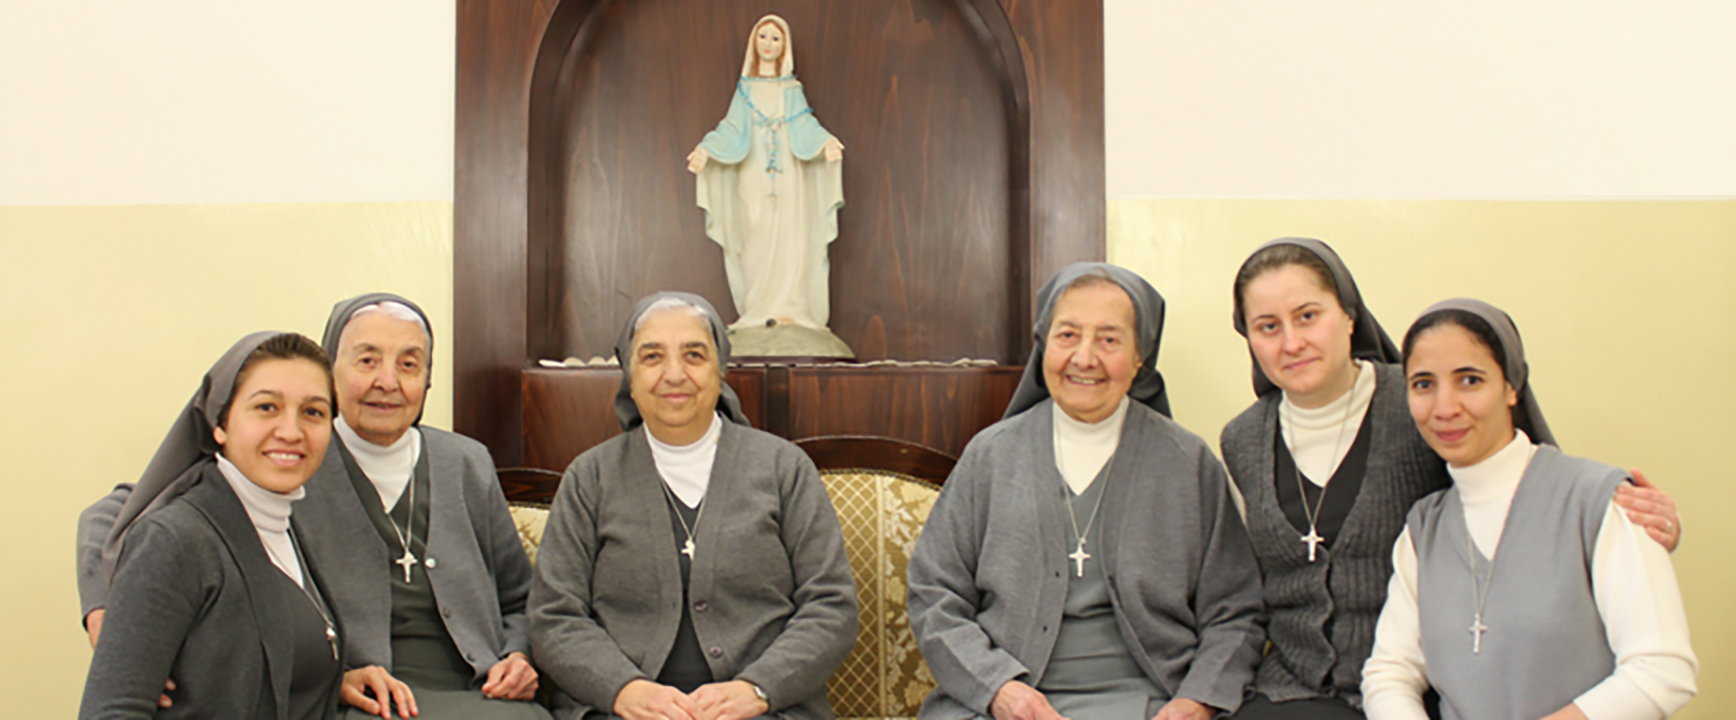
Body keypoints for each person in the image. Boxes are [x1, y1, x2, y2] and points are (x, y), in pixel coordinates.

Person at [1218, 239, 1684, 719]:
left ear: (1349, 315)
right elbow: (1247, 586)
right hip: (1305, 687)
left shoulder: (1417, 407)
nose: (1292, 342)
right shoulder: (1242, 439)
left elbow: (1527, 502)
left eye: (1308, 316)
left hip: (1438, 683)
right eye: (1268, 326)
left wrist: (1630, 524)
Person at [79, 293, 548, 720]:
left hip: (479, 689)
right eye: (367, 360)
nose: (387, 381)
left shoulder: (464, 461)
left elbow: (519, 594)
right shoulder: (293, 460)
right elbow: (128, 512)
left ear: (427, 380)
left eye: (409, 365)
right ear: (333, 371)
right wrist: (110, 614)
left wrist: (518, 654)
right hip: (362, 698)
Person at [908, 263, 1265, 720]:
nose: (1084, 357)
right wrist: (999, 689)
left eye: (1109, 340)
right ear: (1043, 346)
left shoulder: (1189, 464)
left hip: (1155, 703)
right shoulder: (990, 457)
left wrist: (1196, 700)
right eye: (1067, 335)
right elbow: (934, 595)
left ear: (1140, 357)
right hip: (1006, 704)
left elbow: (1235, 611)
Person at [527, 292, 858, 720]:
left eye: (694, 355)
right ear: (630, 377)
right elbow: (554, 617)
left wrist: (757, 688)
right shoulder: (590, 478)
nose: (674, 374)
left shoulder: (784, 469)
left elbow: (831, 607)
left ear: (720, 371)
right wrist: (623, 689)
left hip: (763, 712)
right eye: (652, 357)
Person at [1360, 299, 1697, 719]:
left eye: (1469, 380)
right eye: (1424, 384)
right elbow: (1389, 672)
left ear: (1511, 386)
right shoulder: (1423, 529)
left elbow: (1662, 670)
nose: (1444, 408)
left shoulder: (1597, 502)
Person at [81, 332, 344, 719]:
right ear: (220, 423)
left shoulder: (284, 522)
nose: (291, 431)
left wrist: (332, 675)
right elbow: (113, 711)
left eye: (313, 412)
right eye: (267, 407)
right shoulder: (176, 539)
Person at [687, 13, 845, 331]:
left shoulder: (791, 89)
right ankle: (758, 307)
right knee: (754, 231)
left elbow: (805, 125)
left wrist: (826, 143)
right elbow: (731, 128)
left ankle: (791, 307)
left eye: (775, 38)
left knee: (791, 233)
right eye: (763, 36)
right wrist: (706, 149)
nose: (768, 43)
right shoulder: (745, 91)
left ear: (784, 46)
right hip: (753, 173)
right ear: (753, 44)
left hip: (789, 175)